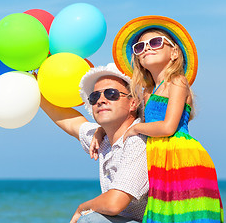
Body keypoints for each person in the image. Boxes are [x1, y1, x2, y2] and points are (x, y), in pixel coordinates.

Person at [92, 15, 224, 222]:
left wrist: (136, 130)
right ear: (138, 59)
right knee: (166, 214)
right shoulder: (147, 92)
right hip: (159, 159)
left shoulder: (177, 82)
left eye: (155, 43)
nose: (147, 48)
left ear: (173, 52)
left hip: (182, 156)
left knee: (187, 213)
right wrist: (101, 130)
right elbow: (130, 117)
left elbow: (168, 127)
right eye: (140, 47)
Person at [40, 63, 149, 223]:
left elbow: (114, 203)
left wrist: (82, 207)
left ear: (133, 103)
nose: (101, 100)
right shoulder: (103, 138)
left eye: (111, 94)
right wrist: (35, 88)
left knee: (90, 220)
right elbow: (71, 123)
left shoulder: (137, 139)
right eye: (94, 96)